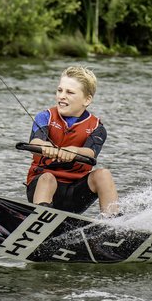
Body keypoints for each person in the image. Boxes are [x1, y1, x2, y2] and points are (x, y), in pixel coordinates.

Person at [25, 66, 119, 216]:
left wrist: (74, 151)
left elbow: (90, 152)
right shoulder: (44, 117)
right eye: (60, 90)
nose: (62, 96)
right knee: (48, 178)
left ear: (87, 100)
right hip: (42, 186)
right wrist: (45, 146)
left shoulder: (97, 128)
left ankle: (114, 223)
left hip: (75, 192)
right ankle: (40, 218)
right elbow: (35, 141)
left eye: (69, 92)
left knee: (103, 174)